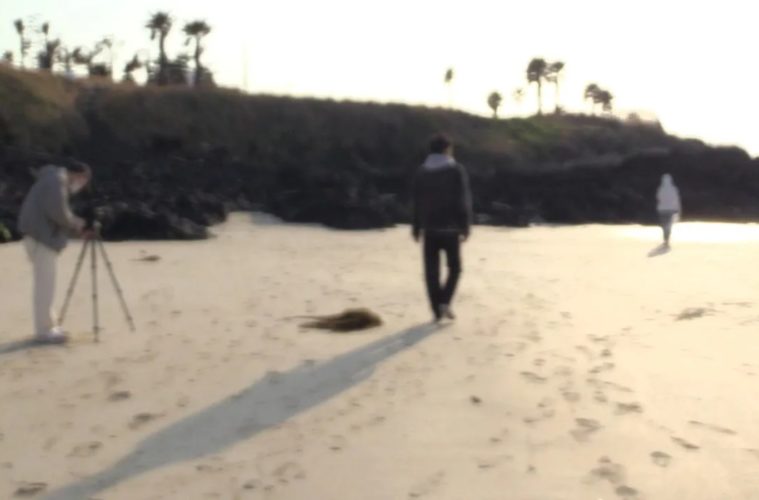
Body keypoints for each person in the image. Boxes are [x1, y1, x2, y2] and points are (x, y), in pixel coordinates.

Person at [18, 161, 92, 343]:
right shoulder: (56, 181)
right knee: (45, 285)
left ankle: (49, 325)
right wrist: (77, 223)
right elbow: (58, 212)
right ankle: (44, 330)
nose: (81, 185)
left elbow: (56, 212)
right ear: (78, 175)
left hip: (37, 236)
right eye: (83, 180)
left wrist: (74, 224)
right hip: (41, 238)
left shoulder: (52, 179)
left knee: (45, 284)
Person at [412, 134, 473, 322]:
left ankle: (436, 310)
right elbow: (462, 199)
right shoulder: (456, 170)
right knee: (455, 268)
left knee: (431, 271)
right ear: (447, 149)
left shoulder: (422, 172)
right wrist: (465, 225)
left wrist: (416, 226)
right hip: (451, 228)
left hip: (429, 228)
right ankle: (445, 301)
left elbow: (417, 201)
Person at [656, 173, 681, 248]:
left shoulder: (661, 189)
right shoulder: (673, 189)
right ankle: (667, 239)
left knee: (664, 225)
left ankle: (665, 238)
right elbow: (676, 199)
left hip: (662, 209)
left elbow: (658, 198)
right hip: (670, 209)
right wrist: (677, 209)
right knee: (669, 224)